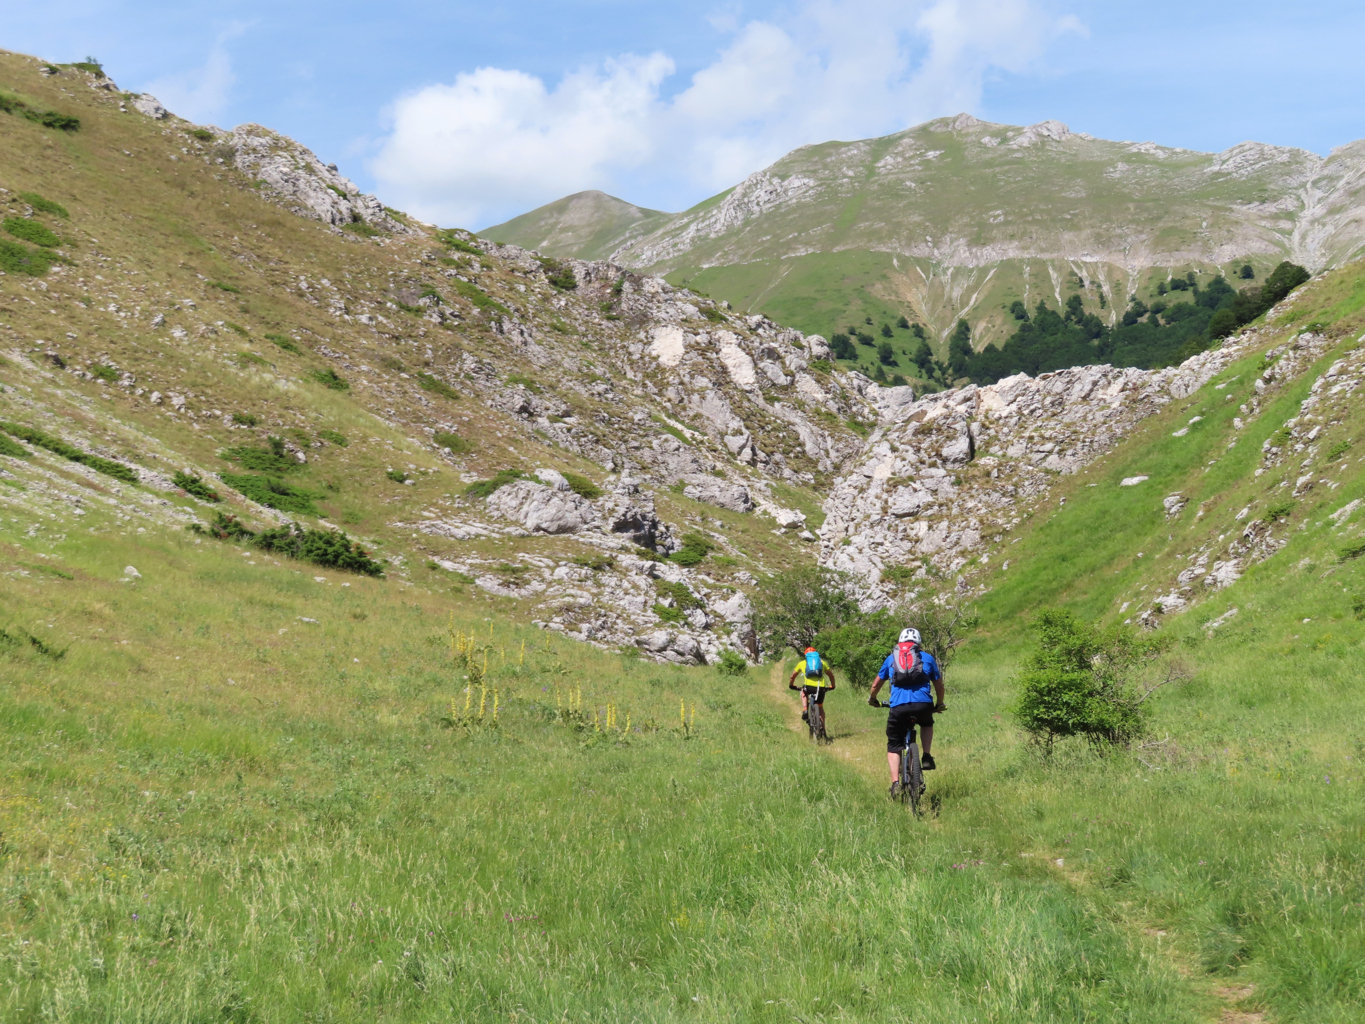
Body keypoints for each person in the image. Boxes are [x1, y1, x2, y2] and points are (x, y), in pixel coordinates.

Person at [867, 627, 945, 797]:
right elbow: (939, 685)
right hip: (923, 704)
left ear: (900, 642)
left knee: (894, 744)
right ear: (918, 643)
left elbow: (876, 685)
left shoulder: (891, 659)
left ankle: (895, 783)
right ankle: (926, 755)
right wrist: (939, 704)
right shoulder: (927, 658)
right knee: (926, 722)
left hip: (898, 707)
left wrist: (872, 699)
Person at [788, 647, 836, 727]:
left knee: (803, 691)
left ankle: (805, 709)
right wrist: (832, 686)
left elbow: (792, 676)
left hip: (808, 687)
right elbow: (831, 676)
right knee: (820, 707)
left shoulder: (802, 663)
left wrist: (791, 685)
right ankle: (823, 729)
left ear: (806, 655)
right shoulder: (822, 663)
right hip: (820, 688)